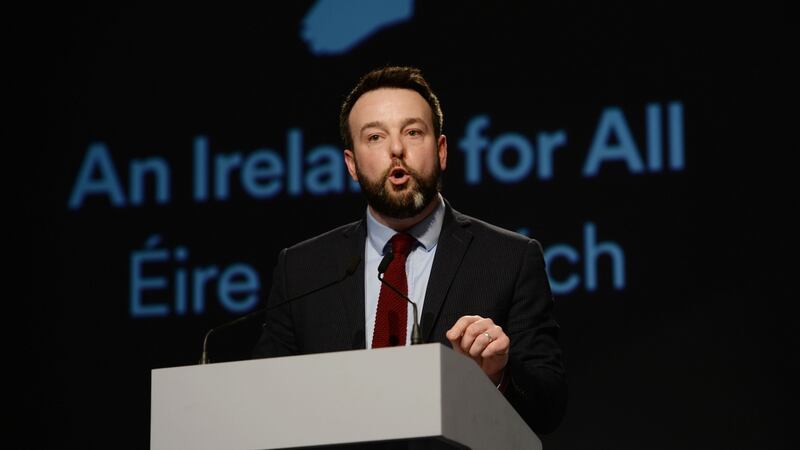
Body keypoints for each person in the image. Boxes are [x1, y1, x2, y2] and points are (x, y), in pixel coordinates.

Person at [253, 66, 566, 434]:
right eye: (375, 137)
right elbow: (263, 403)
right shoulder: (303, 269)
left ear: (441, 150)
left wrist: (499, 375)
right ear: (351, 165)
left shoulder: (509, 259)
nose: (396, 149)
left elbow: (549, 408)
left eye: (413, 132)